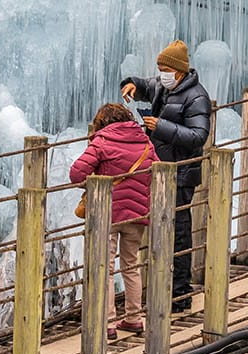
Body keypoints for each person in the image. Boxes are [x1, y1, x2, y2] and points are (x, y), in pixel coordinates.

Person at [120, 40, 212, 310]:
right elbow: (147, 85)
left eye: (165, 68)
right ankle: (161, 286)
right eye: (159, 68)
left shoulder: (197, 97)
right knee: (161, 228)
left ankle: (180, 294)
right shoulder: (163, 85)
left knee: (179, 231)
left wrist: (161, 127)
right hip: (159, 170)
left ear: (179, 71)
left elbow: (199, 136)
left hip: (182, 173)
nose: (161, 73)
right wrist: (132, 84)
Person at [69, 103, 156, 337]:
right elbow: (156, 170)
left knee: (104, 268)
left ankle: (107, 323)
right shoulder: (145, 142)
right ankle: (134, 318)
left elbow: (76, 173)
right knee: (131, 265)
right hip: (138, 214)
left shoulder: (102, 141)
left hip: (108, 213)